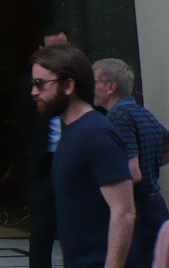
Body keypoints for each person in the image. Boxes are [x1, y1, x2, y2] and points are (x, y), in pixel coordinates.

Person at [32, 43, 135, 268]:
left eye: (40, 84)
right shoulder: (73, 131)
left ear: (68, 85)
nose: (34, 92)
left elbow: (124, 212)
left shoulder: (96, 134)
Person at [94, 58, 169, 268]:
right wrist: (150, 165)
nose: (91, 87)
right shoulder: (143, 113)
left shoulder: (118, 117)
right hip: (155, 207)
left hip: (139, 210)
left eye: (95, 81)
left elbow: (132, 174)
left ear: (110, 88)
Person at [24, 28, 70, 268]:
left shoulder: (82, 81)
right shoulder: (30, 86)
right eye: (54, 48)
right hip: (46, 163)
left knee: (77, 226)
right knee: (41, 231)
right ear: (42, 51)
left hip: (75, 159)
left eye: (64, 47)